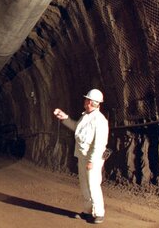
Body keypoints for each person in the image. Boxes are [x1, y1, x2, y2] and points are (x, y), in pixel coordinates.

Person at [53, 89, 109, 224]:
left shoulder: (100, 120)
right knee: (84, 184)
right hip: (82, 156)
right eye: (86, 100)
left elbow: (99, 143)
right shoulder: (85, 116)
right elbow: (76, 127)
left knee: (93, 185)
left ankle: (99, 213)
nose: (85, 102)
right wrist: (65, 118)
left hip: (92, 159)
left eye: (88, 101)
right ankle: (87, 211)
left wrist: (92, 161)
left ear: (93, 103)